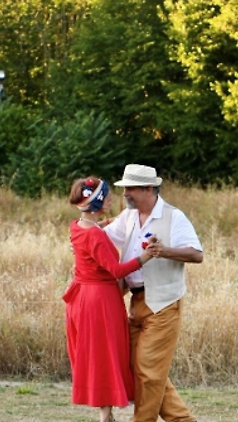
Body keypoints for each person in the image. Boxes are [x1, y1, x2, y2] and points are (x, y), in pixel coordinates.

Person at [104, 164, 203, 422]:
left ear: (148, 188)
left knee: (148, 371)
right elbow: (101, 239)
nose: (125, 193)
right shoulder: (127, 217)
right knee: (142, 369)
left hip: (164, 304)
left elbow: (197, 254)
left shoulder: (174, 217)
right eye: (124, 188)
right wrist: (85, 228)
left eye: (130, 188)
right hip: (135, 302)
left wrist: (164, 250)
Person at [63, 176, 154, 422]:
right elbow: (116, 270)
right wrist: (145, 257)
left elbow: (95, 231)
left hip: (82, 297)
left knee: (97, 353)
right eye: (107, 195)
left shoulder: (77, 226)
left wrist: (106, 223)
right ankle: (105, 416)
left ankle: (107, 413)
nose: (113, 197)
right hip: (100, 300)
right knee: (106, 353)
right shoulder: (96, 236)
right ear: (98, 203)